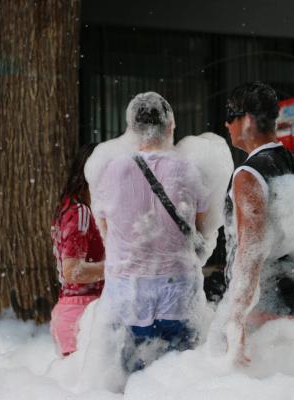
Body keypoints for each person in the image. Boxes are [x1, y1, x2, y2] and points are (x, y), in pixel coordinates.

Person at [92, 92, 209, 372]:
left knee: (131, 382)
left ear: (131, 129)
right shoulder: (188, 170)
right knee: (178, 382)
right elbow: (200, 227)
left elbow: (106, 230)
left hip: (127, 296)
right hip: (178, 294)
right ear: (170, 126)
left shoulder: (110, 171)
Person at [221, 81, 294, 365]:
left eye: (230, 117)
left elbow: (251, 251)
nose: (226, 125)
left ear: (245, 120)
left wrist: (235, 320)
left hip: (272, 307)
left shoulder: (249, 175)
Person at [50, 144, 105, 356]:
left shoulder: (70, 207)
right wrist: (115, 268)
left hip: (74, 313)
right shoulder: (80, 211)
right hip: (80, 314)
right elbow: (72, 271)